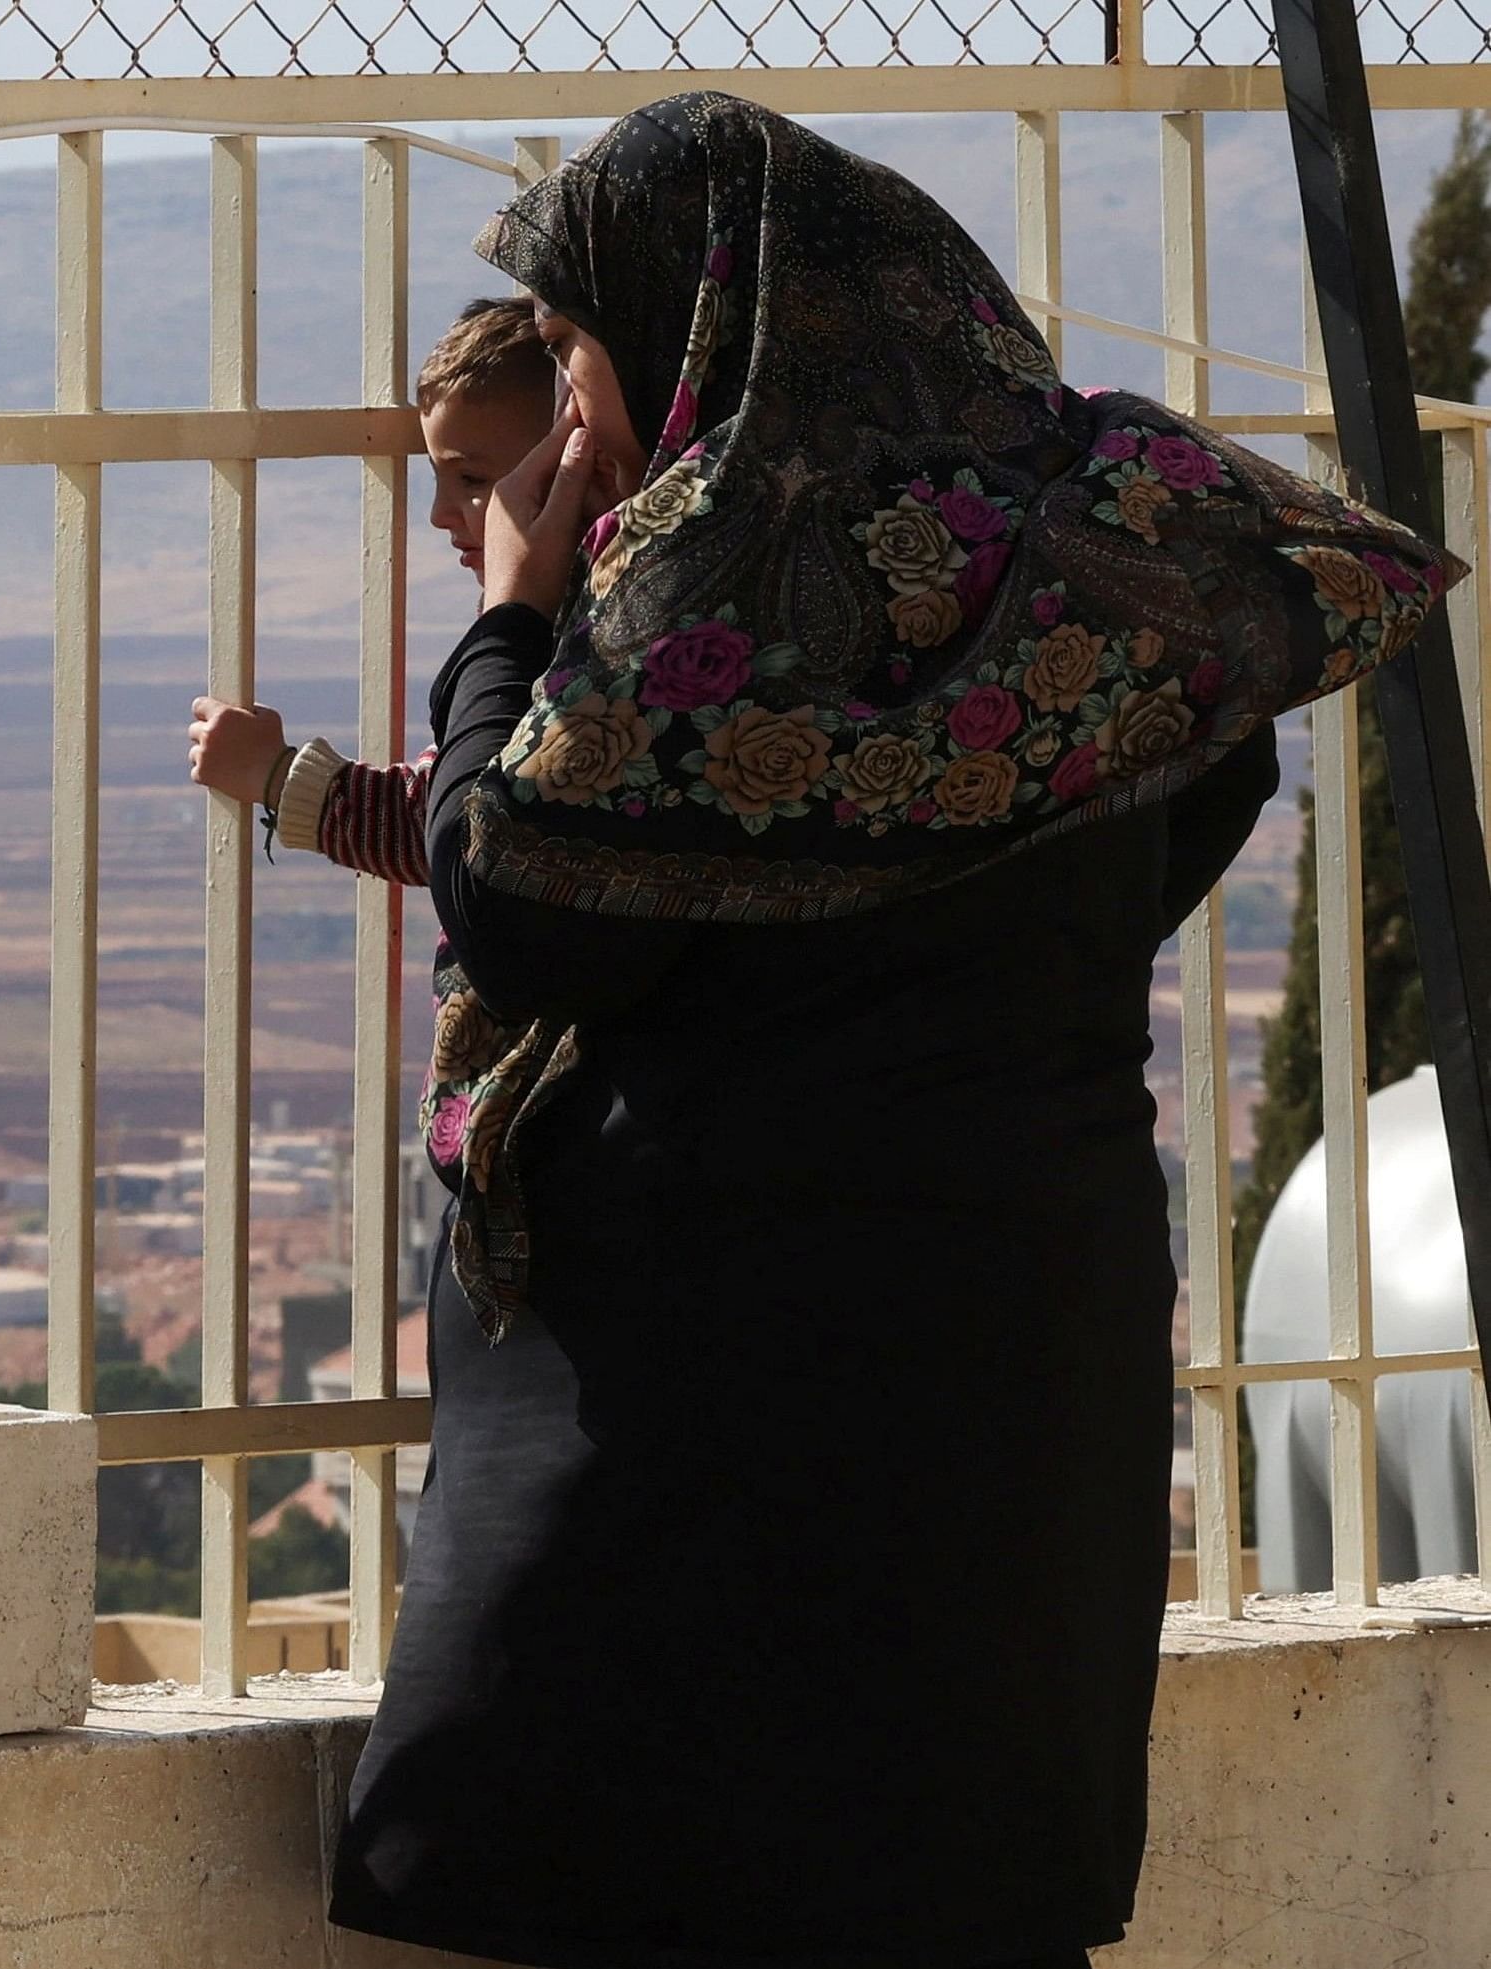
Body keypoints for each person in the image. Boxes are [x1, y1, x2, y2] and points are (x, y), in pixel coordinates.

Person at [321, 95, 1458, 1969]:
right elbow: (1221, 750)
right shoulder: (1106, 518)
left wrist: (513, 616)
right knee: (953, 1852)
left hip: (710, 1377)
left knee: (642, 1868)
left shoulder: (700, 577)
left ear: (704, 321)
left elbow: (516, 884)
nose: (583, 408)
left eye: (587, 350)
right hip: (1018, 1325)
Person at [187, 294, 554, 880]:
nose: (439, 513)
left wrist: (275, 775)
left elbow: (453, 825)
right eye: (439, 477)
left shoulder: (560, 629)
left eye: (474, 480)